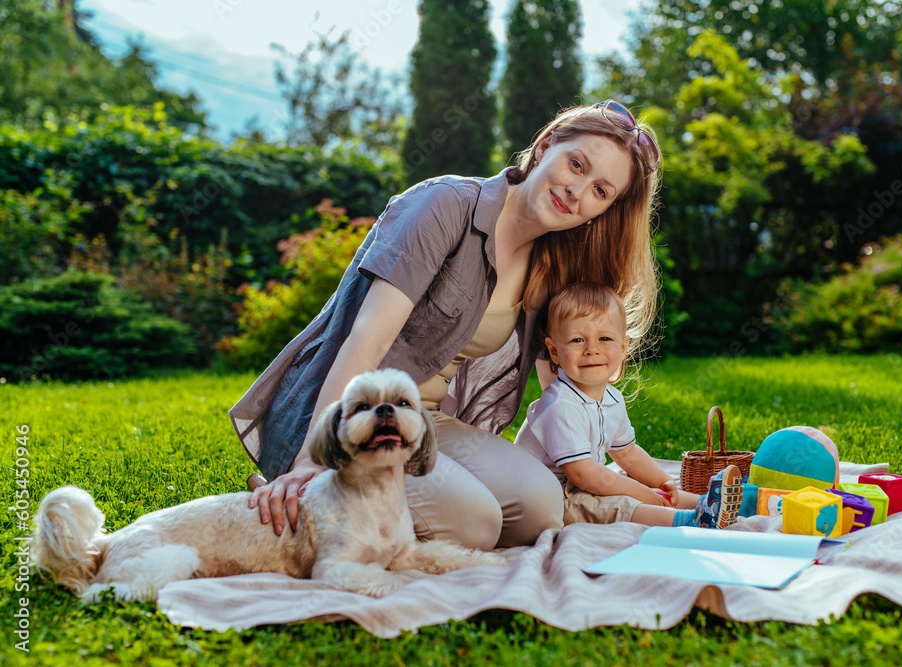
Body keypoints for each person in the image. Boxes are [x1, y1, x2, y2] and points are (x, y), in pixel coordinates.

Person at [230, 100, 663, 550]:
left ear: (603, 210)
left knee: (541, 507)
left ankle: (370, 511)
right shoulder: (445, 205)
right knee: (473, 524)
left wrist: (594, 469)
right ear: (547, 144)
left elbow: (564, 385)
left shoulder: (552, 262)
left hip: (428, 421)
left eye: (600, 191)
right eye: (576, 164)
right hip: (354, 413)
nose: (577, 191)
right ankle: (316, 494)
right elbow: (368, 339)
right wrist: (312, 460)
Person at [514, 282, 743, 529]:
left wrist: (663, 480)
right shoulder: (561, 406)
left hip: (578, 484)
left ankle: (715, 504)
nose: (592, 350)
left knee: (639, 486)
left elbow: (627, 453)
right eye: (577, 340)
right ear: (554, 351)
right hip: (543, 498)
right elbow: (584, 475)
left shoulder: (612, 398)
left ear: (623, 348)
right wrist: (642, 493)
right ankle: (691, 521)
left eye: (604, 338)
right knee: (620, 502)